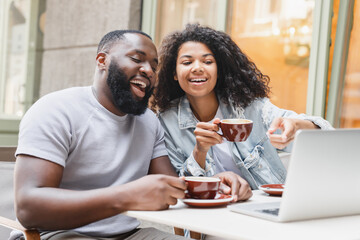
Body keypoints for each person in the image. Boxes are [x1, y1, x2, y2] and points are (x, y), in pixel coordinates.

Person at [11, 29, 250, 240]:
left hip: (131, 234)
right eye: (137, 59)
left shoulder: (148, 121)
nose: (148, 71)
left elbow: (174, 189)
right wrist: (126, 196)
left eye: (154, 67)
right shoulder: (55, 110)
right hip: (62, 233)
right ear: (102, 60)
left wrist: (216, 183)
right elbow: (28, 208)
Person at [152, 24, 334, 190]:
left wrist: (296, 126)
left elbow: (325, 139)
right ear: (174, 73)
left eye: (208, 62)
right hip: (209, 220)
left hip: (264, 213)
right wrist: (199, 152)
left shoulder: (250, 108)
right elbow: (177, 188)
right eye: (187, 62)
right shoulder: (167, 121)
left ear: (219, 70)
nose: (197, 68)